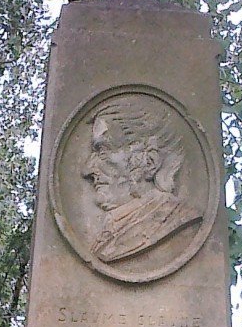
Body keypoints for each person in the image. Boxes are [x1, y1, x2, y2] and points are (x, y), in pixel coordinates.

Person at [81, 97, 201, 263]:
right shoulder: (112, 227)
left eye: (102, 150)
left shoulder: (176, 219)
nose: (87, 170)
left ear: (148, 161)